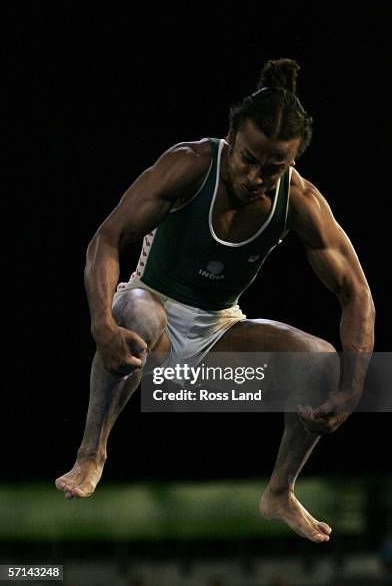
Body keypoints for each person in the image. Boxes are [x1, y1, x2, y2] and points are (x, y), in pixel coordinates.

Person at [55, 58, 375, 544]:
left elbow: (357, 293)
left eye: (275, 168)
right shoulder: (190, 165)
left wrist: (354, 389)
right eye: (248, 159)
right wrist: (101, 322)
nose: (256, 177)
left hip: (217, 332)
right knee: (134, 311)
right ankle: (91, 452)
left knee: (324, 363)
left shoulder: (301, 201)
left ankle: (280, 491)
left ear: (292, 162)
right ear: (231, 138)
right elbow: (107, 238)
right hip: (150, 316)